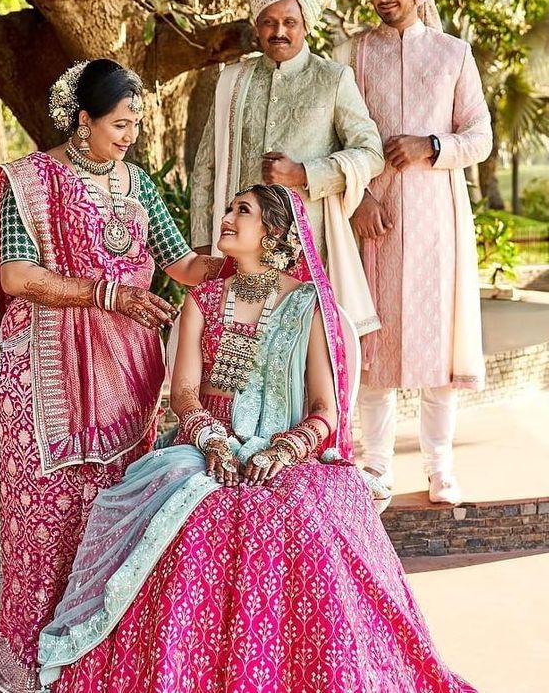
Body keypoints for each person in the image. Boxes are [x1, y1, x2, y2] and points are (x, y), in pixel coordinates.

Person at [37, 184, 477, 693]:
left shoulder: (308, 303)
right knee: (189, 517)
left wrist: (283, 450)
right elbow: (183, 393)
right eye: (227, 208)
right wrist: (214, 442)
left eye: (240, 211)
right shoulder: (202, 300)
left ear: (272, 232)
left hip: (289, 457)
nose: (226, 217)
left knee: (303, 525)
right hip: (206, 452)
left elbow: (324, 410)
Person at [0, 59, 222, 693]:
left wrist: (256, 261)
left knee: (115, 513)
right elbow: (17, 276)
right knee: (45, 517)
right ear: (82, 120)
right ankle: (31, 648)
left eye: (136, 122)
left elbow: (182, 266)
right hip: (44, 378)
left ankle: (96, 650)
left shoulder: (140, 185)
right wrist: (106, 295)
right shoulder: (26, 183)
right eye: (119, 123)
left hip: (128, 380)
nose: (130, 135)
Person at [334, 0, 492, 504]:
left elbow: (480, 136)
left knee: (437, 348)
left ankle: (439, 466)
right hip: (372, 219)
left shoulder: (453, 54)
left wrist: (432, 145)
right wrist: (359, 202)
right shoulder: (354, 54)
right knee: (373, 343)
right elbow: (339, 136)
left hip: (436, 220)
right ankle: (376, 465)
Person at [191, 0, 385, 338]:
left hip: (306, 249)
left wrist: (304, 174)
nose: (279, 31)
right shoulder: (233, 80)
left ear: (306, 25)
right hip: (237, 251)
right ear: (257, 25)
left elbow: (370, 152)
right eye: (269, 22)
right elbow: (206, 168)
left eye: (289, 22)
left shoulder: (332, 79)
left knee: (298, 355)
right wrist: (203, 245)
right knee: (237, 355)